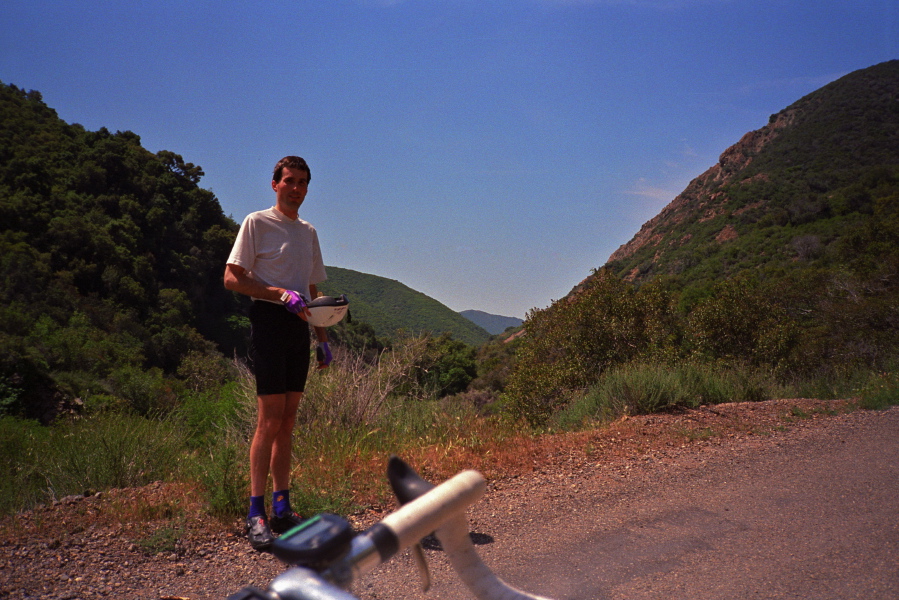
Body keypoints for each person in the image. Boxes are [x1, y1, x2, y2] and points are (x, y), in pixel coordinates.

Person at [224, 156, 333, 550]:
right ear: (275, 184)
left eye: (303, 182)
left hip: (298, 329)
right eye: (289, 181)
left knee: (287, 422)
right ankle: (255, 513)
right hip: (268, 324)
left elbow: (312, 290)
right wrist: (277, 294)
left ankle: (282, 507)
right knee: (268, 421)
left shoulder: (308, 232)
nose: (297, 188)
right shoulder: (256, 223)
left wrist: (322, 339)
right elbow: (232, 278)